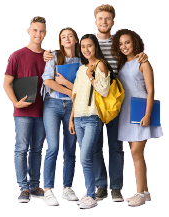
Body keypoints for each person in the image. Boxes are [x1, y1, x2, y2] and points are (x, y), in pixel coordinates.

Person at [42, 4, 148, 202]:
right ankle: (101, 186)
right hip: (92, 104)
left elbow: (131, 51)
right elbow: (74, 56)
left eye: (107, 19)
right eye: (100, 18)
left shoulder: (117, 42)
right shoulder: (88, 41)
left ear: (113, 22)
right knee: (95, 147)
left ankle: (116, 187)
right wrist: (48, 54)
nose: (104, 22)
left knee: (116, 146)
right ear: (95, 21)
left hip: (115, 101)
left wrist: (142, 55)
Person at [111, 28, 163, 207]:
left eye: (127, 42)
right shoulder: (121, 64)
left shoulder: (144, 63)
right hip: (126, 110)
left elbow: (151, 91)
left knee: (136, 152)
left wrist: (148, 114)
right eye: (121, 44)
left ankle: (139, 194)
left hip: (141, 109)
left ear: (134, 42)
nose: (124, 46)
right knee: (135, 154)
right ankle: (145, 192)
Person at [69, 34, 120, 209]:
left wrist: (91, 75)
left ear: (95, 46)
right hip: (78, 118)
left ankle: (92, 196)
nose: (86, 49)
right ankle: (92, 190)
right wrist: (71, 119)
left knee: (85, 157)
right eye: (83, 46)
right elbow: (74, 96)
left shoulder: (100, 65)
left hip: (92, 118)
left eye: (89, 46)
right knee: (89, 156)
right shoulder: (80, 68)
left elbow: (104, 91)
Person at [3, 16, 47, 203]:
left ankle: (35, 186)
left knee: (37, 149)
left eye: (42, 30)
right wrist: (16, 103)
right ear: (28, 31)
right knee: (22, 149)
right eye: (35, 30)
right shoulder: (17, 55)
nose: (38, 34)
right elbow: (6, 83)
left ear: (45, 33)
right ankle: (23, 188)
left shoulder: (48, 56)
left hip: (44, 111)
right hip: (22, 112)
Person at [42, 27, 80, 206]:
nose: (67, 39)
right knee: (53, 147)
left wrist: (67, 86)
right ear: (60, 40)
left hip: (73, 106)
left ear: (76, 40)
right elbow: (48, 81)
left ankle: (67, 187)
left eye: (70, 36)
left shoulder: (82, 60)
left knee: (70, 148)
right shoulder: (54, 57)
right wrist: (71, 89)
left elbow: (84, 89)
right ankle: (48, 189)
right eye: (63, 37)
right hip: (52, 105)